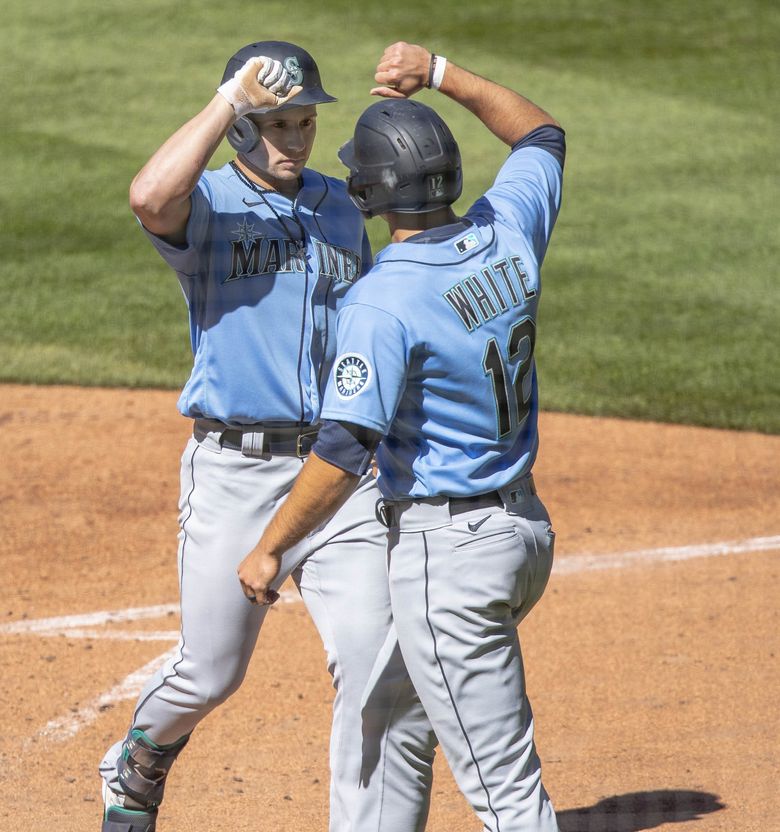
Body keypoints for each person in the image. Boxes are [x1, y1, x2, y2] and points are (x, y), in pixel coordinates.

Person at [98, 40, 432, 832]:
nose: (295, 138)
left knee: (375, 666)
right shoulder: (208, 203)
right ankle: (138, 756)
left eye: (305, 122)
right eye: (276, 123)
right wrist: (226, 103)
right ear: (244, 129)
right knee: (210, 676)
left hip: (335, 473)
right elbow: (148, 197)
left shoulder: (344, 205)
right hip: (233, 474)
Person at [238, 41, 565, 831]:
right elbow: (542, 138)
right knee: (392, 709)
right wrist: (443, 75)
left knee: (507, 794)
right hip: (523, 533)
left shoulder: (382, 303)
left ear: (369, 192)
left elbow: (346, 447)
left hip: (448, 562)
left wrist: (272, 544)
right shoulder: (509, 229)